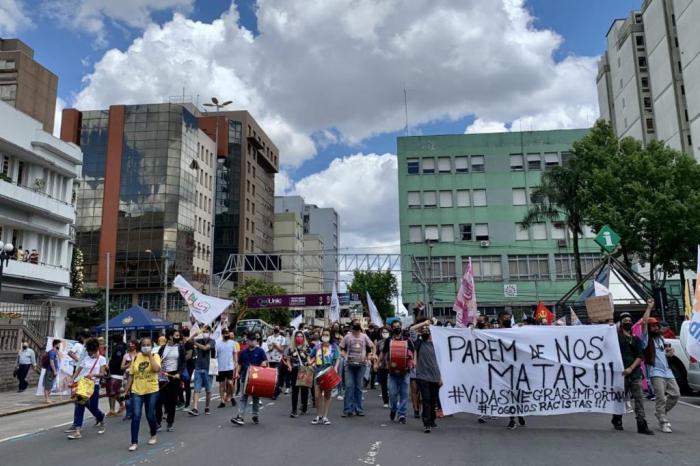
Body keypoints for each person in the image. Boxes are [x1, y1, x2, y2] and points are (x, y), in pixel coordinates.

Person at [641, 298, 679, 433]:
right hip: (655, 371)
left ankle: (660, 413)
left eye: (657, 326)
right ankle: (663, 420)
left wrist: (670, 353)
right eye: (653, 326)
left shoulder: (661, 339)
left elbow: (665, 354)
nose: (656, 328)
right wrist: (649, 307)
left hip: (667, 371)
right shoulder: (646, 339)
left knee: (675, 394)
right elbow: (644, 322)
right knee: (661, 397)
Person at [612, 312, 654, 435]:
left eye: (630, 320)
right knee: (620, 398)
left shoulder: (636, 339)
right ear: (620, 323)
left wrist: (631, 368)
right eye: (625, 320)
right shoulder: (616, 338)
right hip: (620, 374)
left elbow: (640, 356)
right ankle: (617, 418)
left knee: (639, 399)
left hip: (634, 373)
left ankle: (641, 424)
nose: (628, 322)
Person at [66, 338, 107, 440]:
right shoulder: (86, 359)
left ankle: (100, 416)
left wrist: (93, 375)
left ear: (96, 349)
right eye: (89, 351)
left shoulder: (102, 359)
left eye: (92, 351)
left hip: (94, 385)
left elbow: (103, 374)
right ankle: (78, 430)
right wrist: (72, 379)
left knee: (93, 407)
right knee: (80, 406)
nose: (90, 353)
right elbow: (78, 371)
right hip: (83, 386)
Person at [124, 337, 161, 451]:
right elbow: (131, 375)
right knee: (136, 415)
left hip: (152, 390)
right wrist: (126, 390)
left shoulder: (155, 356)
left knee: (150, 414)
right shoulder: (135, 358)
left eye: (148, 344)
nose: (146, 346)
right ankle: (134, 442)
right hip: (137, 391)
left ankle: (153, 434)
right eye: (144, 344)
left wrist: (150, 356)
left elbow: (156, 369)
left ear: (151, 346)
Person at [231, 333, 268, 426]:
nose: (253, 341)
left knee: (255, 398)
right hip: (245, 378)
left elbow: (264, 362)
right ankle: (240, 416)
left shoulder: (260, 351)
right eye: (251, 340)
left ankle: (255, 415)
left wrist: (263, 364)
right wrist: (237, 373)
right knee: (243, 398)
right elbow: (239, 364)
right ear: (247, 341)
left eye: (254, 340)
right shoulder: (243, 352)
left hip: (256, 379)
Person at [340, 319, 374, 417]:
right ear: (352, 328)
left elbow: (372, 346)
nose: (356, 331)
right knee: (349, 386)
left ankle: (358, 409)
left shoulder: (364, 336)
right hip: (349, 365)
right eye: (355, 329)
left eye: (358, 329)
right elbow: (341, 348)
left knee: (359, 387)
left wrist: (370, 356)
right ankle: (347, 409)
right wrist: (345, 355)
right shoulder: (347, 336)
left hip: (361, 365)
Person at [411, 319, 441, 433]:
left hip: (435, 377)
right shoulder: (418, 343)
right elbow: (411, 329)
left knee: (433, 400)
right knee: (426, 399)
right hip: (422, 376)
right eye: (423, 331)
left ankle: (432, 420)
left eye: (427, 331)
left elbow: (441, 362)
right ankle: (426, 423)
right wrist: (425, 323)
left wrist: (440, 377)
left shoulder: (437, 344)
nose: (425, 332)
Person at [383, 320, 414, 424]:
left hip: (405, 371)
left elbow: (414, 352)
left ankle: (402, 415)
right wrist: (381, 363)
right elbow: (384, 354)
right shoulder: (388, 340)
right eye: (395, 326)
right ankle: (393, 409)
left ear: (401, 327)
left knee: (404, 394)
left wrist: (413, 362)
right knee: (392, 393)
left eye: (398, 326)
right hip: (392, 372)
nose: (397, 328)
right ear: (392, 328)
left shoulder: (407, 340)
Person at [309, 328, 340, 425]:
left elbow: (337, 358)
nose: (325, 336)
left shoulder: (334, 347)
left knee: (327, 395)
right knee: (317, 396)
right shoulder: (317, 346)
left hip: (328, 371)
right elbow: (311, 356)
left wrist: (335, 367)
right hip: (318, 371)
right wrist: (311, 363)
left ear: (330, 336)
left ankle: (325, 416)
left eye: (327, 335)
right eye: (324, 334)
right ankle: (318, 415)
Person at [156, 329, 185, 432]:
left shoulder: (180, 348)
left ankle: (170, 422)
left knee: (172, 400)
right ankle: (158, 422)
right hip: (163, 375)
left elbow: (183, 363)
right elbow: (157, 360)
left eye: (179, 335)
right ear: (170, 336)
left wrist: (179, 373)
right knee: (159, 400)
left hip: (174, 376)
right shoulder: (163, 348)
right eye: (176, 335)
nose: (178, 337)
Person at [188, 326, 214, 416]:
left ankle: (207, 407)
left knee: (208, 390)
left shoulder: (212, 341)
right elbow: (189, 341)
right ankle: (195, 408)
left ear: (210, 332)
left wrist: (195, 342)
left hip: (208, 368)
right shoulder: (199, 340)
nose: (205, 333)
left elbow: (205, 348)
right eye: (204, 331)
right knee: (196, 389)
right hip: (198, 367)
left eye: (207, 331)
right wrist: (196, 333)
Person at [284, 330, 310, 417]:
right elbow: (287, 360)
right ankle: (294, 410)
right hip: (295, 370)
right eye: (297, 336)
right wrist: (289, 366)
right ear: (294, 338)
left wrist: (309, 364)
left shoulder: (307, 347)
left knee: (304, 390)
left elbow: (310, 359)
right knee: (295, 391)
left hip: (304, 369)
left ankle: (304, 407)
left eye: (301, 336)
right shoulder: (291, 348)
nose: (299, 338)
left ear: (304, 338)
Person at [216, 328, 238, 408]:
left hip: (229, 367)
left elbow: (235, 354)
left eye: (227, 333)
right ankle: (222, 401)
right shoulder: (217, 343)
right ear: (222, 334)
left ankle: (232, 396)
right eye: (225, 333)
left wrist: (236, 363)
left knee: (230, 383)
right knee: (221, 385)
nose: (226, 334)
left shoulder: (232, 343)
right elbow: (215, 355)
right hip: (220, 367)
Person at [266, 326, 287, 399]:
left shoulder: (282, 339)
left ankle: (275, 393)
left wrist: (275, 346)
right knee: (270, 377)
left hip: (278, 360)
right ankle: (273, 391)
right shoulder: (269, 338)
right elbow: (268, 349)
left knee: (276, 376)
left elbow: (281, 350)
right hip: (270, 359)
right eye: (275, 328)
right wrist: (273, 347)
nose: (276, 329)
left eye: (277, 328)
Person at [106, 340, 127, 417]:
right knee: (115, 392)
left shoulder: (119, 348)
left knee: (112, 391)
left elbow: (118, 361)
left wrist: (110, 366)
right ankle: (121, 405)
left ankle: (112, 410)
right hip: (115, 373)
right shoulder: (120, 348)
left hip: (116, 373)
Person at [121, 340, 138, 421]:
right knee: (127, 396)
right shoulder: (126, 355)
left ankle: (135, 413)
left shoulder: (139, 355)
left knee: (135, 396)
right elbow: (122, 367)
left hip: (137, 378)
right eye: (130, 345)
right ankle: (128, 413)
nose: (131, 346)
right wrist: (129, 363)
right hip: (127, 377)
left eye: (133, 344)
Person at [375, 326, 391, 408]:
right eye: (383, 332)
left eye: (386, 332)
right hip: (382, 365)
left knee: (390, 384)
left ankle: (393, 399)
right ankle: (386, 401)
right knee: (384, 384)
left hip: (391, 365)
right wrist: (377, 363)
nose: (385, 333)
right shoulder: (379, 343)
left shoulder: (393, 341)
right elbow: (377, 353)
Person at [43, 339, 61, 403]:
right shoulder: (52, 352)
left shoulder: (55, 352)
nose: (60, 345)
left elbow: (59, 360)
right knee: (47, 385)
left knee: (50, 385)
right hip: (50, 371)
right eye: (59, 344)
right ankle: (47, 399)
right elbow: (51, 362)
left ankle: (49, 398)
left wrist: (58, 353)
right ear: (56, 344)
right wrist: (54, 371)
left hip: (53, 371)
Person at [181, 327, 195, 409]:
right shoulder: (182, 343)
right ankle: (182, 401)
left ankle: (187, 403)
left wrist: (181, 360)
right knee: (180, 383)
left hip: (189, 366)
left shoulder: (188, 343)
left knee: (186, 383)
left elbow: (189, 355)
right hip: (184, 366)